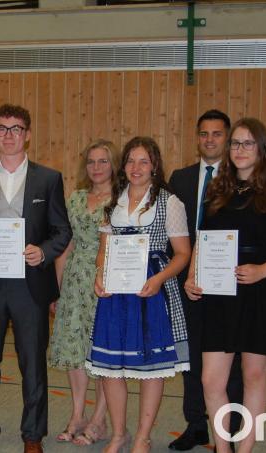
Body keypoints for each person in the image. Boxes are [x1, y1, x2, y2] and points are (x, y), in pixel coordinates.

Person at [184, 118, 266, 453]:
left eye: (248, 143)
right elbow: (203, 238)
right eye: (235, 144)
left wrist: (264, 270)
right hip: (220, 292)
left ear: (262, 148)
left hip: (261, 290)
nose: (240, 150)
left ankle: (245, 450)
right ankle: (223, 449)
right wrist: (192, 275)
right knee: (211, 380)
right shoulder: (218, 189)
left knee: (254, 377)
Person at [0, 103, 72, 453]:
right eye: (2, 129)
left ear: (27, 134)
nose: (9, 135)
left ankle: (32, 436)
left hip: (31, 286)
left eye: (16, 128)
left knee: (33, 363)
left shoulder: (48, 178)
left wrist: (45, 252)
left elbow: (61, 229)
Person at [89, 136, 192, 453]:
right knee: (111, 367)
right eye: (131, 161)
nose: (136, 167)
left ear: (155, 166)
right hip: (116, 292)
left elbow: (183, 254)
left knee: (151, 368)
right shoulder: (114, 200)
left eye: (143, 161)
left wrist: (159, 278)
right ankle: (119, 434)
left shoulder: (169, 202)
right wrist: (99, 276)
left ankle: (142, 437)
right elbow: (104, 249)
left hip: (151, 291)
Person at [168, 110, 243, 450]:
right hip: (189, 281)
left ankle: (231, 426)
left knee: (233, 357)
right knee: (191, 355)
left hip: (231, 280)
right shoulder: (180, 178)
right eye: (204, 134)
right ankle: (196, 424)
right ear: (197, 137)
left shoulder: (243, 178)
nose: (209, 140)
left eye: (216, 134)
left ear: (226, 139)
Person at [48, 139, 118, 446]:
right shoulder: (75, 198)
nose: (97, 167)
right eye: (91, 161)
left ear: (113, 164)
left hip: (107, 281)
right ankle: (77, 414)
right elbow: (66, 245)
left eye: (103, 161)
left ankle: (99, 419)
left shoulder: (122, 198)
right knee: (75, 352)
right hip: (75, 281)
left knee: (102, 353)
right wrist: (58, 289)